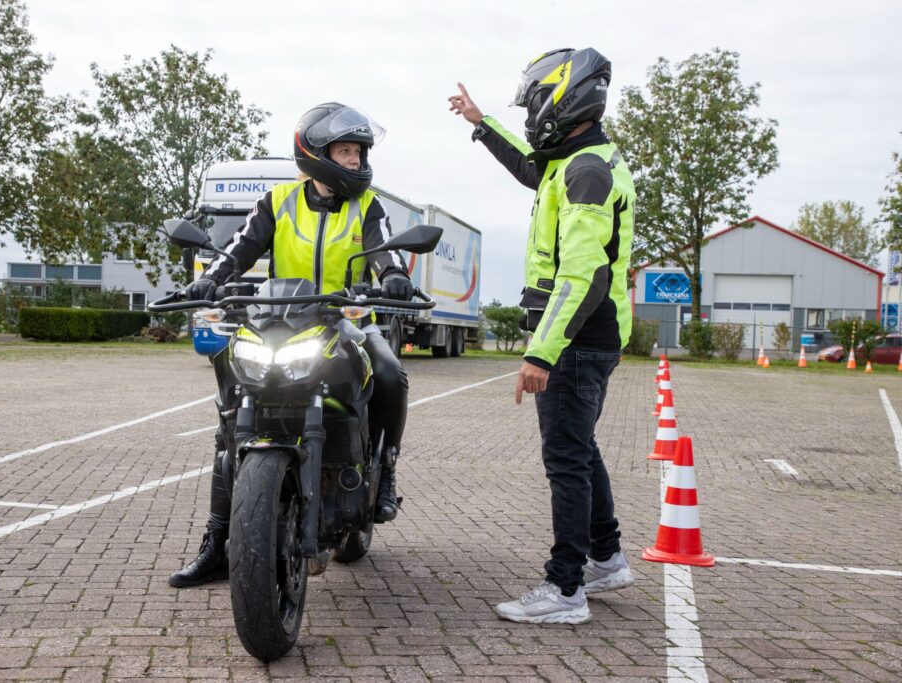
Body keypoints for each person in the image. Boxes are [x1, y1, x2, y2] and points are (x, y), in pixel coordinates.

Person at [169, 102, 413, 588]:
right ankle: (218, 542)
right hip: (281, 323)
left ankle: (383, 471)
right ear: (315, 153)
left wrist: (394, 277)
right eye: (344, 152)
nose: (355, 162)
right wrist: (208, 282)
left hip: (346, 322)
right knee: (228, 422)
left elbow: (384, 251)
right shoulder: (277, 202)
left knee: (390, 374)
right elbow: (238, 250)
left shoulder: (368, 206)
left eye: (359, 152)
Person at [449, 48, 636, 624]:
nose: (533, 115)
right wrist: (482, 125)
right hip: (591, 338)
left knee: (565, 461)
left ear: (563, 100)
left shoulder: (586, 171)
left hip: (577, 341)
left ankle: (566, 590)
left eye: (535, 104)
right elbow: (530, 167)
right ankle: (606, 556)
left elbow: (585, 275)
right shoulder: (574, 160)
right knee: (581, 450)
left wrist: (541, 353)